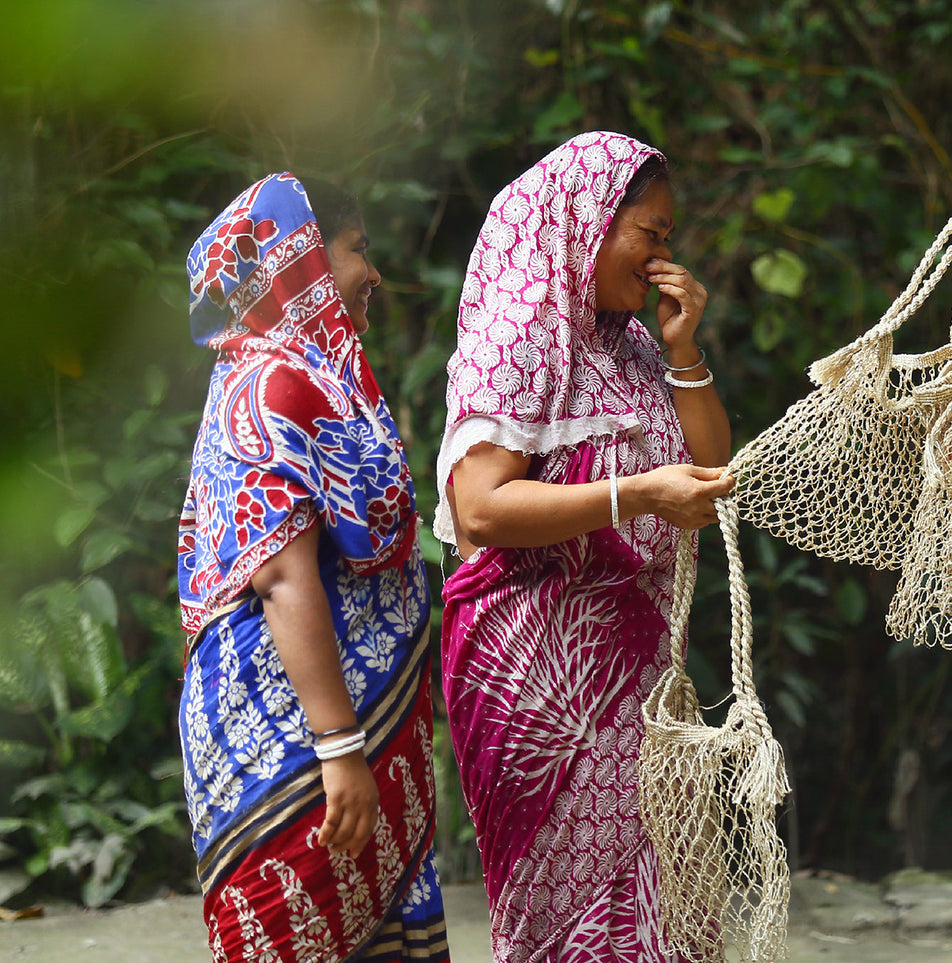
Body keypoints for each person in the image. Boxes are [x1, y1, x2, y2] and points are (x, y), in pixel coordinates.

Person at [435, 130, 734, 961]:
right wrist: (633, 494)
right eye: (652, 232)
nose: (662, 253)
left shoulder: (633, 344)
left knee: (665, 919)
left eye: (667, 237)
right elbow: (480, 509)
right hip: (539, 677)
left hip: (635, 668)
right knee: (568, 929)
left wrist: (684, 351)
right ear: (586, 224)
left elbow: (708, 481)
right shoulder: (519, 336)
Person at [178, 173, 448, 962]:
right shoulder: (273, 385)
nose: (374, 272)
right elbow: (281, 575)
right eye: (357, 249)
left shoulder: (323, 381)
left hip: (351, 725)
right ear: (305, 260)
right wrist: (339, 748)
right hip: (297, 742)